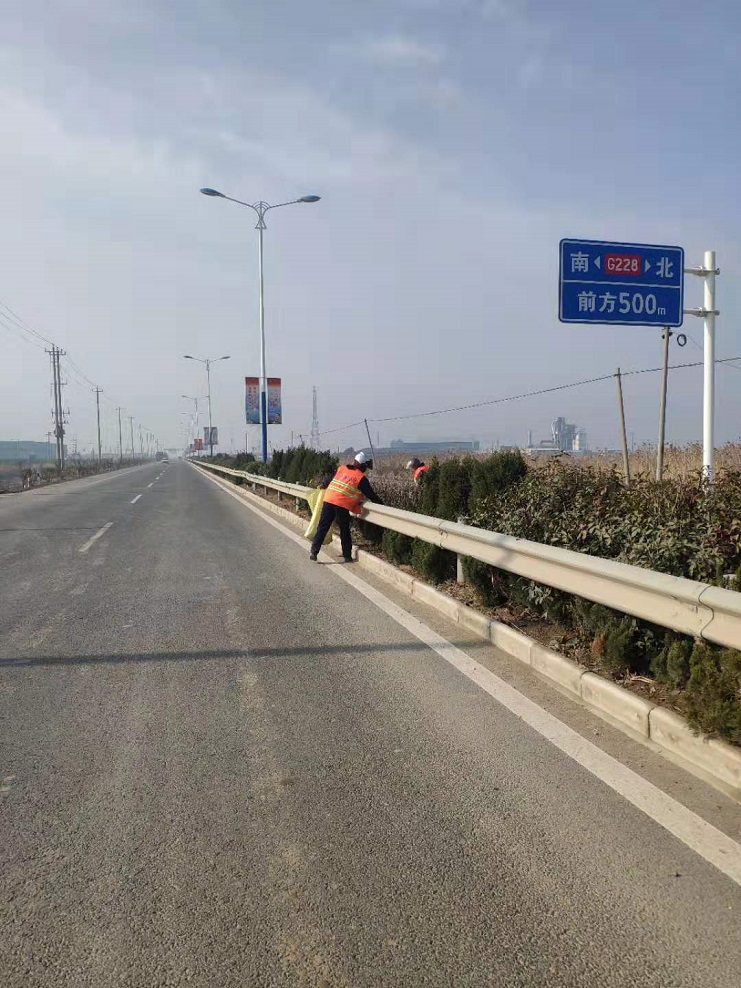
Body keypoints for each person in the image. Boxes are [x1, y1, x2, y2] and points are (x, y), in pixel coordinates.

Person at [310, 451, 383, 562]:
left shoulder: (342, 469)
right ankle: (347, 556)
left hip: (329, 499)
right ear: (363, 465)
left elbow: (329, 479)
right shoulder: (360, 478)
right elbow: (371, 495)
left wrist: (323, 485)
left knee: (323, 526)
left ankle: (314, 551)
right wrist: (381, 505)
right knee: (344, 529)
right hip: (342, 504)